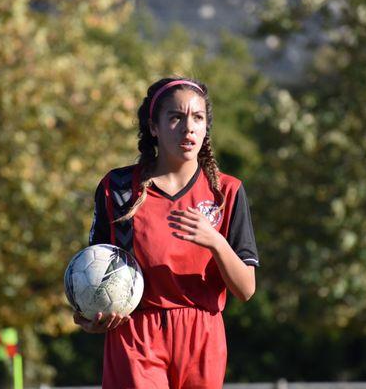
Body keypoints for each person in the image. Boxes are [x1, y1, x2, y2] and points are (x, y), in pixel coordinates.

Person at [73, 77, 259, 389]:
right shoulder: (118, 189)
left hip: (203, 336)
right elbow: (93, 274)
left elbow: (246, 289)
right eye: (176, 117)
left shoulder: (227, 191)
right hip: (136, 334)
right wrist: (91, 315)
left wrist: (215, 241)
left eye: (198, 118)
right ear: (154, 127)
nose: (189, 127)